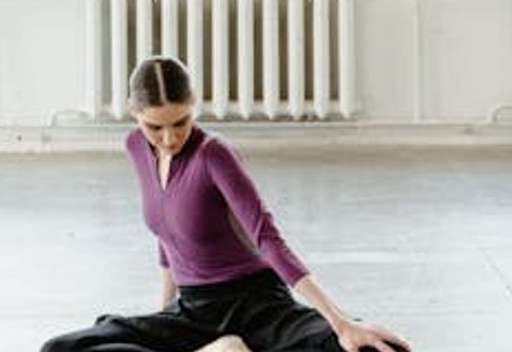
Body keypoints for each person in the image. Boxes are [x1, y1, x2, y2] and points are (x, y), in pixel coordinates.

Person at [41, 55, 410, 352]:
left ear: (194, 106)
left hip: (257, 305)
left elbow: (266, 237)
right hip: (193, 311)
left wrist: (341, 321)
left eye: (180, 122)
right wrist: (163, 312)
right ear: (134, 113)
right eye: (155, 127)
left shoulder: (213, 154)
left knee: (377, 351)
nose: (169, 138)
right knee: (60, 348)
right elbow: (167, 239)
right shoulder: (135, 147)